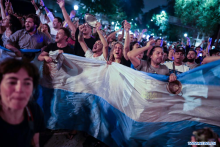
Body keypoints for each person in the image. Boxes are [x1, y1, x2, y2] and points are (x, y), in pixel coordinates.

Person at [0, 58, 45, 147]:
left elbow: (36, 143)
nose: (20, 89)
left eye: (27, 83)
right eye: (12, 82)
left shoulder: (34, 110)